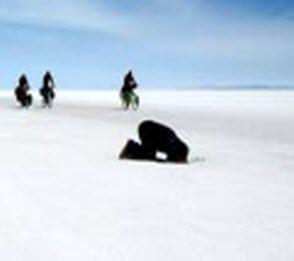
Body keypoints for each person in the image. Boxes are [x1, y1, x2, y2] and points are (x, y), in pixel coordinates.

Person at [119, 120, 189, 163]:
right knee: (148, 156)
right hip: (148, 129)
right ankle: (130, 147)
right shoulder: (172, 143)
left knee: (149, 155)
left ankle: (131, 147)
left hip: (148, 129)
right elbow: (170, 159)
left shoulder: (173, 142)